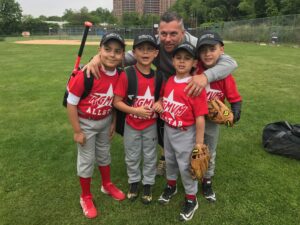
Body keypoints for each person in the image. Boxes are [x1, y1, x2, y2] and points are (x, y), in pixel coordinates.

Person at [85, 11, 238, 176]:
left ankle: (204, 172)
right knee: (167, 128)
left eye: (173, 34)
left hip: (192, 93)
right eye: (163, 34)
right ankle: (167, 159)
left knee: (202, 131)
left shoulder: (195, 43)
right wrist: (97, 58)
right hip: (166, 92)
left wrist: (205, 76)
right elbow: (126, 56)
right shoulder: (155, 45)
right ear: (158, 33)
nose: (167, 39)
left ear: (183, 32)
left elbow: (230, 62)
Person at [66, 33, 126, 219]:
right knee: (86, 159)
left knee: (104, 154)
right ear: (99, 50)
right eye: (107, 49)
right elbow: (71, 103)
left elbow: (114, 102)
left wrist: (113, 123)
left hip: (105, 120)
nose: (112, 54)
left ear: (123, 54)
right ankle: (85, 196)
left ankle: (106, 185)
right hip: (85, 123)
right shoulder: (87, 73)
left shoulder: (119, 74)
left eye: (117, 51)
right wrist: (77, 131)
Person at [158, 42, 208, 222]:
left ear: (194, 63)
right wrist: (160, 103)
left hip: (186, 133)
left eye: (187, 59)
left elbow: (200, 117)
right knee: (170, 161)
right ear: (172, 60)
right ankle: (171, 186)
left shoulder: (195, 85)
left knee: (187, 167)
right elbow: (165, 98)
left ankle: (191, 199)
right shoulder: (170, 80)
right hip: (169, 129)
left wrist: (199, 144)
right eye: (178, 58)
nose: (181, 61)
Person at [113, 34, 163, 204]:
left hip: (150, 125)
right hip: (131, 125)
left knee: (150, 156)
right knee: (132, 155)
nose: (145, 53)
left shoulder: (159, 76)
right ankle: (134, 182)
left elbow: (162, 98)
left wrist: (159, 102)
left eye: (149, 49)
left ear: (156, 53)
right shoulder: (127, 74)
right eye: (141, 49)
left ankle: (148, 183)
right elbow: (117, 102)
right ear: (133, 53)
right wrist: (135, 110)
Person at [195, 30, 242, 202]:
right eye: (203, 50)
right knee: (193, 150)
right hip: (192, 120)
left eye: (212, 48)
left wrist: (234, 114)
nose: (207, 53)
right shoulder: (194, 70)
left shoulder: (224, 75)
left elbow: (235, 98)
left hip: (211, 122)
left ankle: (207, 180)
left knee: (210, 152)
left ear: (221, 50)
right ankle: (191, 175)